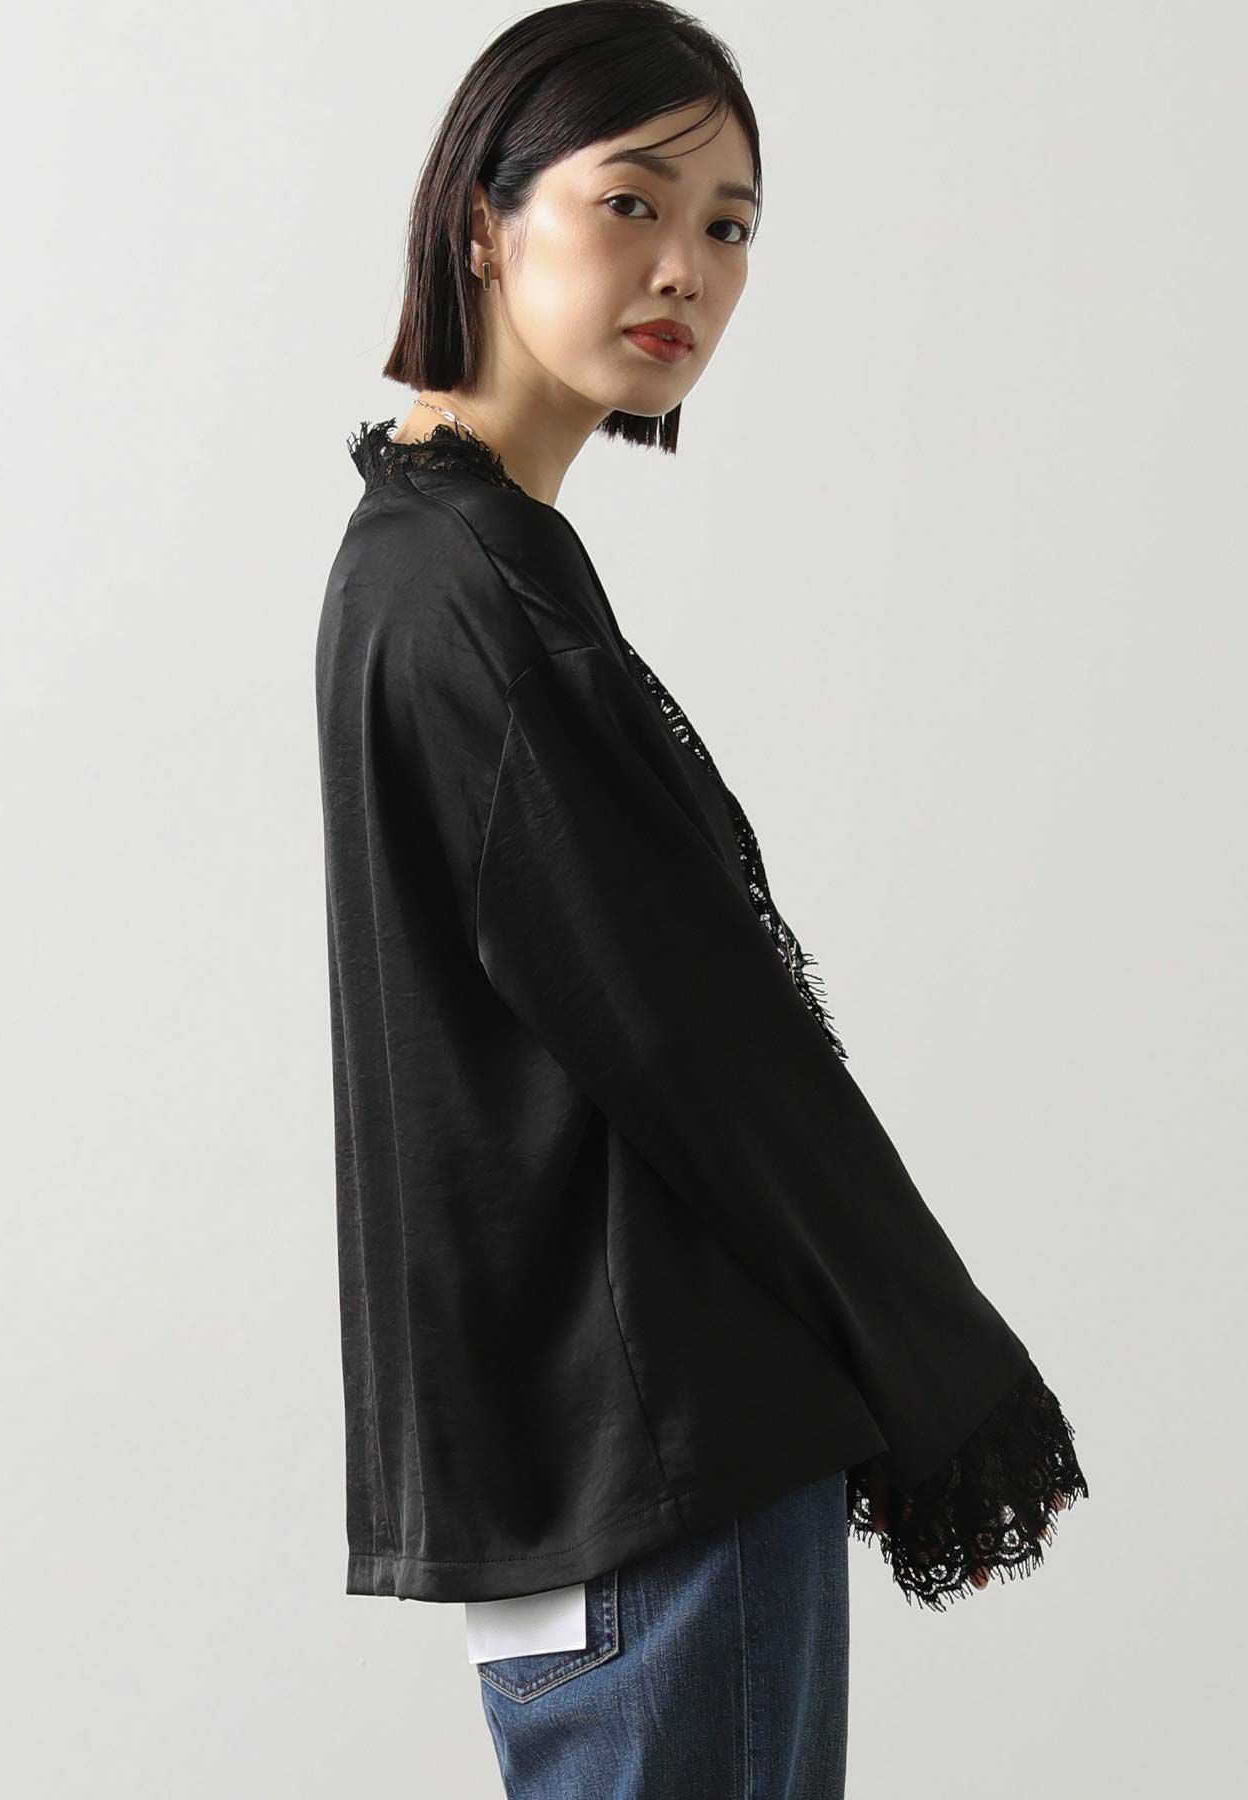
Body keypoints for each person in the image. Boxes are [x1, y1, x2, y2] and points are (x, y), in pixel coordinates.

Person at [314, 4, 1089, 1794]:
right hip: (661, 1470)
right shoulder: (464, 590)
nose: (687, 268)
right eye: (633, 203)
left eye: (730, 225)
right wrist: (950, 1376)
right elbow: (702, 1045)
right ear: (484, 221)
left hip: (595, 1476)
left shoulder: (435, 560)